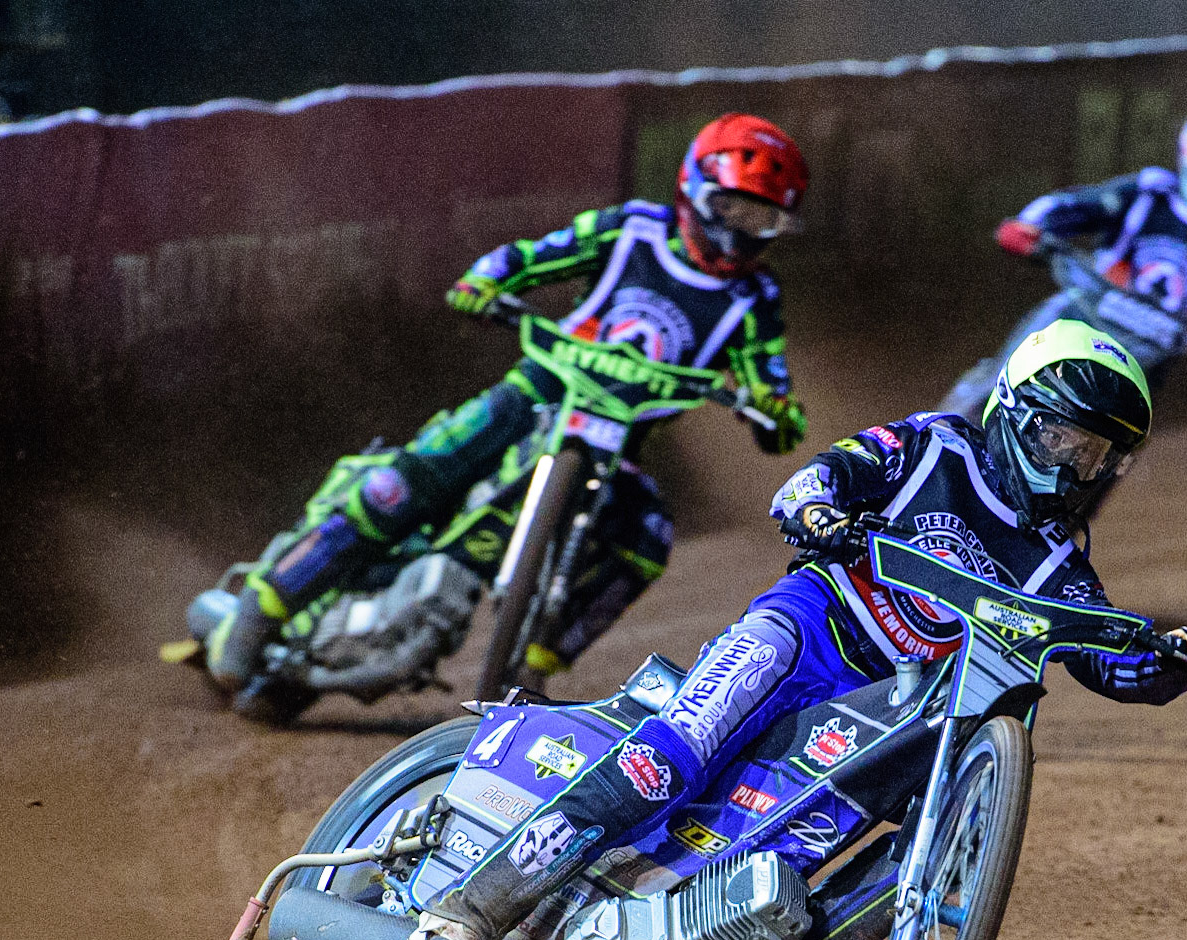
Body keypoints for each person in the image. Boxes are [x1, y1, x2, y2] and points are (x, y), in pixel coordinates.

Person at [399, 319, 1187, 940]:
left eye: (1097, 455)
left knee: (862, 840)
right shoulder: (933, 446)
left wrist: (1167, 660)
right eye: (1064, 443)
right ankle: (464, 913)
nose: (1076, 468)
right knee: (672, 756)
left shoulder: (1060, 564)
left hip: (883, 704)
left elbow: (1110, 660)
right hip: (805, 630)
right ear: (1014, 412)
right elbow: (813, 481)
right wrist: (822, 514)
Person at [202, 113, 810, 702]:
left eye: (762, 217)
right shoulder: (629, 230)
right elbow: (534, 255)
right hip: (533, 394)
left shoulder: (756, 299)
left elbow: (770, 384)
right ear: (695, 190)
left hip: (616, 446)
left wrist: (772, 410)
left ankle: (535, 668)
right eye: (733, 208)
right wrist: (487, 281)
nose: (742, 228)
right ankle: (257, 610)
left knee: (647, 538)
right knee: (401, 483)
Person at [940, 93, 1187, 424]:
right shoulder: (1148, 196)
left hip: (1144, 362)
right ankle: (929, 446)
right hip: (1074, 320)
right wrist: (1031, 226)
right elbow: (1075, 205)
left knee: (1110, 444)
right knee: (995, 386)